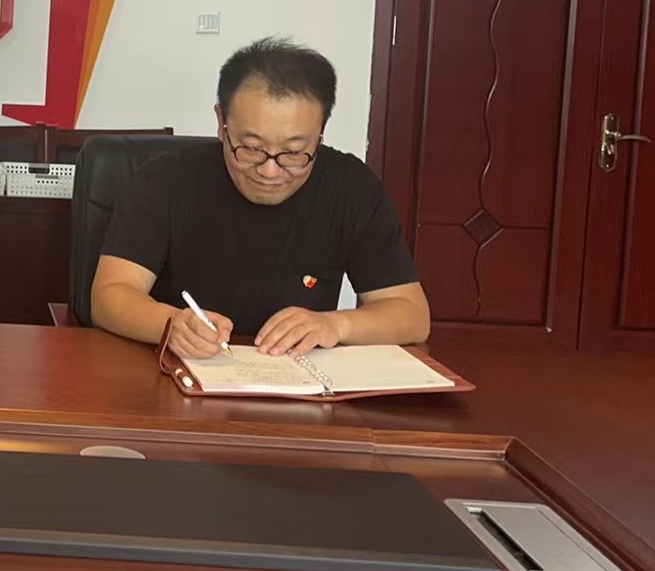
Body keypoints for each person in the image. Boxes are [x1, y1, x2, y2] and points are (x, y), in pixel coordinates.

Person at [90, 37, 430, 360]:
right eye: (251, 148)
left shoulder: (351, 188)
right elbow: (109, 295)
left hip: (294, 382)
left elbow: (412, 314)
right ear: (221, 122)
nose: (270, 171)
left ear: (320, 135)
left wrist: (334, 325)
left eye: (293, 153)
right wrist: (169, 324)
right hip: (178, 376)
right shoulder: (165, 181)